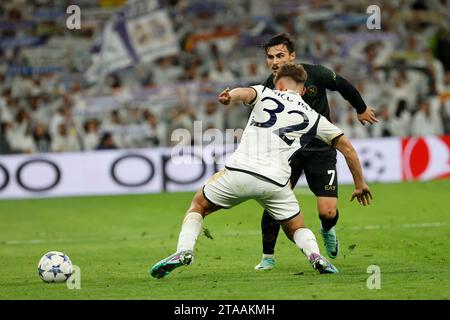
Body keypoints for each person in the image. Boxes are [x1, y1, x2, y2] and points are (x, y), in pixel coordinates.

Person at [149, 63, 372, 279]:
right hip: (275, 183)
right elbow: (348, 149)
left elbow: (244, 93)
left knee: (198, 206)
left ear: (279, 86)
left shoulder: (264, 92)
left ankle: (185, 251)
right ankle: (314, 255)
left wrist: (229, 96)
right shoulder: (314, 117)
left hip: (239, 172)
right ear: (303, 90)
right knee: (296, 227)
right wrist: (360, 184)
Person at [254, 34, 378, 271]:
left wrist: (361, 109)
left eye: (280, 55)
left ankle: (328, 229)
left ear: (292, 56)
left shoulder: (316, 74)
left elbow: (342, 85)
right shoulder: (268, 86)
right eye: (270, 57)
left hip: (321, 149)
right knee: (274, 202)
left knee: (328, 211)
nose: (274, 61)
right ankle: (267, 256)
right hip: (288, 153)